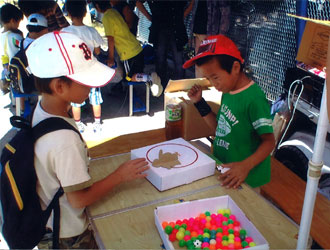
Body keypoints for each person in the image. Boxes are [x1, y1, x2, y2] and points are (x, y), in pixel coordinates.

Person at [25, 31, 149, 249]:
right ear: (59, 87)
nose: (92, 87)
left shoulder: (45, 110)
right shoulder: (64, 140)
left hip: (50, 224)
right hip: (68, 236)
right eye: (86, 82)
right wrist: (120, 175)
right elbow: (78, 200)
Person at [184, 35, 275, 189]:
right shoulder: (228, 90)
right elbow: (220, 129)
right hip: (226, 172)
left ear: (235, 68)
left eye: (215, 77)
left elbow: (269, 142)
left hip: (246, 180)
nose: (213, 84)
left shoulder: (254, 99)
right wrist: (199, 103)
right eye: (208, 78)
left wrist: (245, 167)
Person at [92, 0, 163, 97]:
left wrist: (111, 57)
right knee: (136, 74)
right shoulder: (114, 12)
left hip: (128, 53)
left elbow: (110, 39)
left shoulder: (107, 18)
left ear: (97, 7)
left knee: (128, 78)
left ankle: (149, 78)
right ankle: (149, 79)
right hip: (136, 48)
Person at [62, 0, 106, 133]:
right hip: (92, 71)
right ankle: (97, 123)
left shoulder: (65, 32)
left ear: (68, 14)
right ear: (85, 12)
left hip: (76, 72)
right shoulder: (91, 31)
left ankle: (78, 125)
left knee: (75, 101)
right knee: (95, 98)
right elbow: (98, 51)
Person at [136, 0, 191, 85]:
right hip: (160, 29)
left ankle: (179, 88)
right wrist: (151, 18)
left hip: (175, 28)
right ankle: (161, 87)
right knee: (162, 61)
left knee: (178, 61)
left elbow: (192, 2)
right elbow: (138, 2)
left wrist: (181, 17)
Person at [188, 0, 231, 78]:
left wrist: (221, 36)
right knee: (199, 64)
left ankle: (207, 87)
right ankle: (199, 85)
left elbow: (225, 14)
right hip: (197, 32)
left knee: (207, 65)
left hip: (210, 34)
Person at [0, 4, 23, 99]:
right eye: (18, 22)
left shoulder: (1, 35)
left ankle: (14, 101)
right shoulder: (15, 37)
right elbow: (23, 48)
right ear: (13, 20)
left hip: (6, 69)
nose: (18, 25)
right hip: (18, 70)